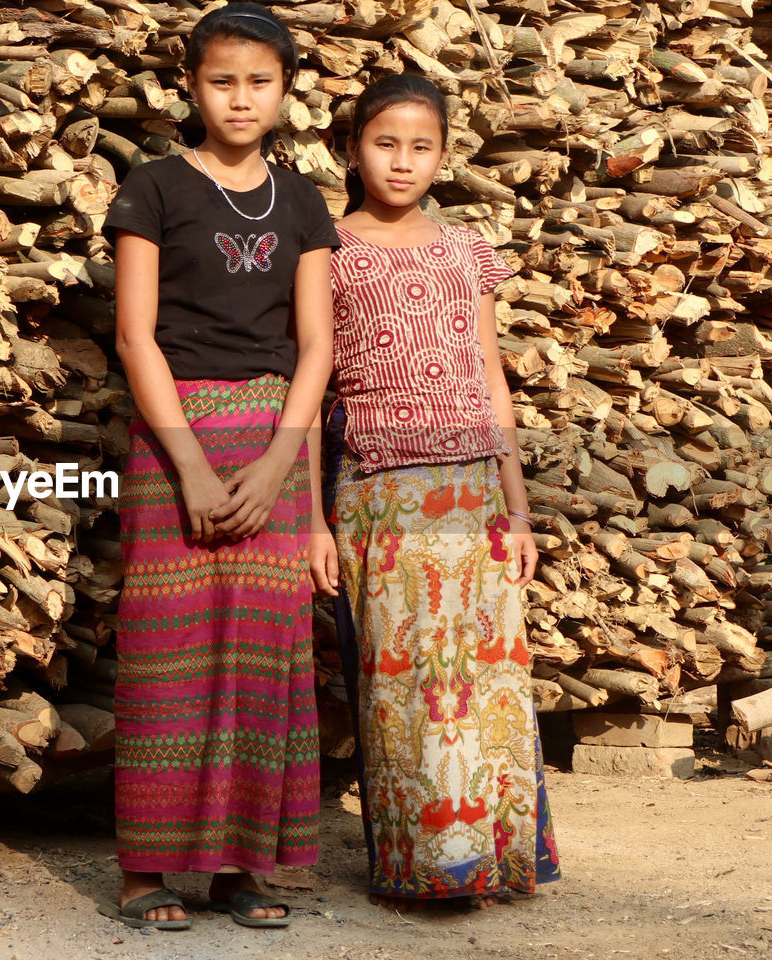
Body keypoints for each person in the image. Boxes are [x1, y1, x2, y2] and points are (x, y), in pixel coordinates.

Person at [102, 1, 338, 931]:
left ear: (285, 91)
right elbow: (134, 335)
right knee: (170, 650)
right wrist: (193, 465)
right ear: (191, 88)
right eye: (221, 80)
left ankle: (246, 867)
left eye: (260, 81)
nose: (241, 99)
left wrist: (283, 459)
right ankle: (147, 869)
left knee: (262, 657)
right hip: (175, 437)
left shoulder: (305, 201)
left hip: (276, 431)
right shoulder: (153, 187)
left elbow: (314, 344)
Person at [322, 73, 561, 911]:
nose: (402, 162)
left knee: (488, 685)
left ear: (444, 156)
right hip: (379, 493)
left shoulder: (467, 251)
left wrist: (517, 504)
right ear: (353, 150)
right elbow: (312, 383)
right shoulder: (327, 250)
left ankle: (498, 860)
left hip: (474, 496)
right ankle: (425, 867)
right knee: (402, 688)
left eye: (421, 147)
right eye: (385, 143)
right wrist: (317, 517)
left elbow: (491, 380)